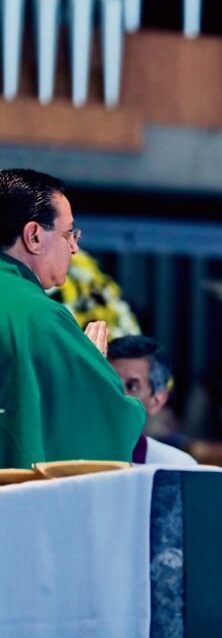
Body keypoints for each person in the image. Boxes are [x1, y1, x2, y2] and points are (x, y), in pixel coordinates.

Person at [0, 168, 145, 467]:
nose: (75, 248)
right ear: (34, 236)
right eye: (68, 234)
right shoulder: (39, 317)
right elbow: (109, 418)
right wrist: (87, 369)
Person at [108, 335, 198, 466]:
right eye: (110, 383)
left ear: (157, 400)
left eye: (132, 386)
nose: (117, 396)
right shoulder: (72, 456)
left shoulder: (176, 466)